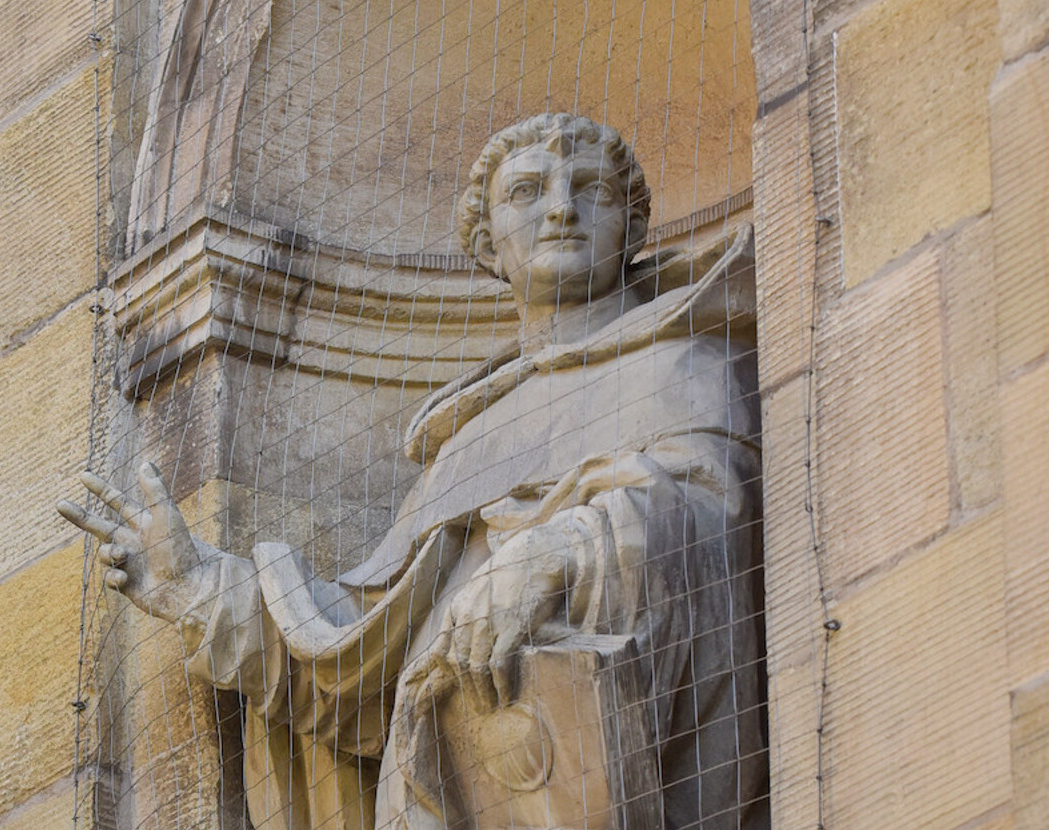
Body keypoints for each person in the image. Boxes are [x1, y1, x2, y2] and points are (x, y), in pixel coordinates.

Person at [59, 113, 766, 830]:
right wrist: (203, 591)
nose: (561, 209)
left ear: (635, 228)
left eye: (591, 189)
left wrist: (562, 551)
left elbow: (716, 531)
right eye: (527, 190)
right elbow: (363, 658)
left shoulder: (683, 366)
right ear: (487, 243)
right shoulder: (464, 443)